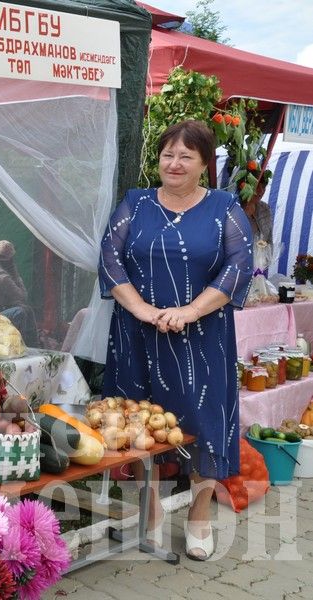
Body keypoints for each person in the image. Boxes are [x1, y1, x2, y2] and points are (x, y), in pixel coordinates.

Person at [99, 120, 253, 561]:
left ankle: (200, 514)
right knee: (138, 424)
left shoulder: (224, 206)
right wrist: (143, 310)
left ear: (205, 164)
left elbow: (238, 265)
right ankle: (150, 512)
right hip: (135, 334)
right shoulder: (136, 202)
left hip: (201, 337)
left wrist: (189, 311)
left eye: (187, 156)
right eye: (168, 154)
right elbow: (110, 258)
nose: (175, 163)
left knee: (202, 426)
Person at [0, 240, 37, 344]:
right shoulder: (3, 278)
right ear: (10, 259)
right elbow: (23, 297)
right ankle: (30, 345)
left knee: (20, 307)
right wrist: (15, 274)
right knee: (23, 311)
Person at [240, 175, 273, 245]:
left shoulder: (265, 208)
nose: (261, 191)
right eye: (257, 186)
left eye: (263, 187)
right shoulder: (236, 210)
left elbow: (269, 239)